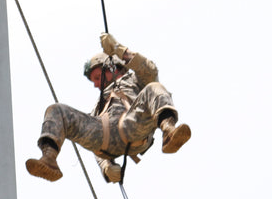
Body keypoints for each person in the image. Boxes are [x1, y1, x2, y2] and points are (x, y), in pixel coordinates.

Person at [25, 33, 191, 183]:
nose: (96, 84)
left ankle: (168, 130)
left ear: (112, 68)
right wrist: (106, 167)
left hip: (132, 126)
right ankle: (49, 158)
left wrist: (118, 50)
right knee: (57, 110)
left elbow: (150, 70)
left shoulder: (134, 81)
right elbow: (93, 145)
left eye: (97, 77)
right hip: (104, 137)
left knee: (154, 87)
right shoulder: (99, 106)